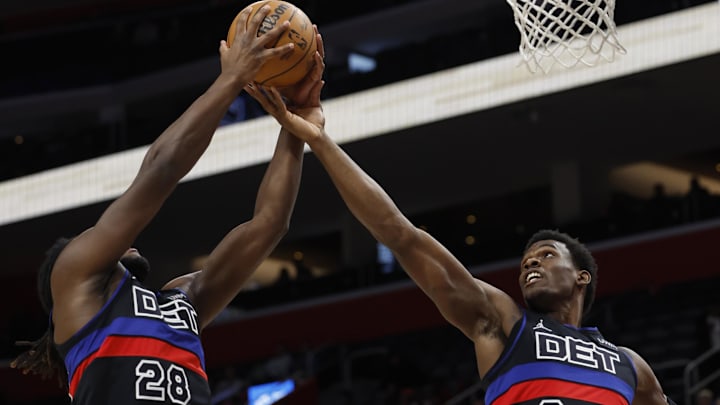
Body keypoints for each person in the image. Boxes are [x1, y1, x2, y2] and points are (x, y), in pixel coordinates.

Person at [245, 60, 678, 404]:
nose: (530, 262)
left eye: (546, 255)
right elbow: (401, 235)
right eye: (527, 259)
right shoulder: (503, 321)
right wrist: (320, 141)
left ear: (582, 276)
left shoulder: (630, 367)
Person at [10, 7, 324, 405]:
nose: (113, 236)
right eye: (94, 238)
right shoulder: (76, 279)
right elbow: (162, 169)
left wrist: (294, 124)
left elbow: (269, 224)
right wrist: (231, 80)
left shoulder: (182, 300)